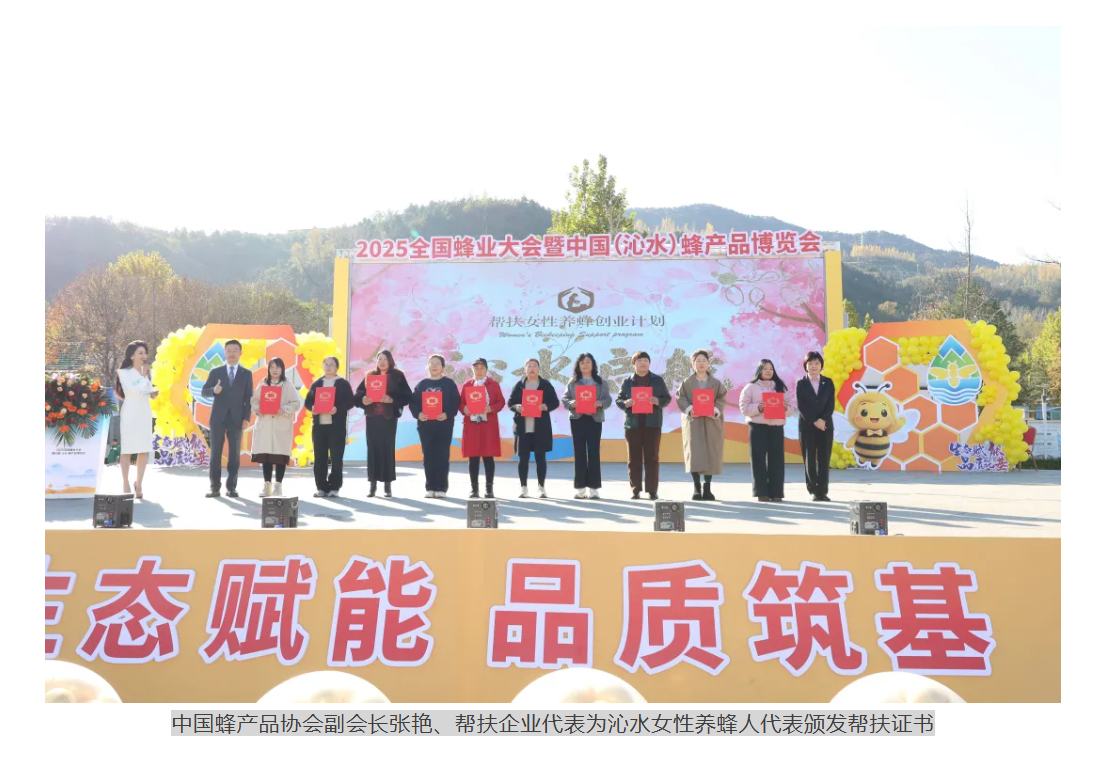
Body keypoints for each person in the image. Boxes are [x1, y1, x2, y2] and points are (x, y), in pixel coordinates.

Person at [354, 350, 412, 498]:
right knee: (372, 449)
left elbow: (407, 396)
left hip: (388, 418)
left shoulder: (397, 375)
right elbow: (358, 395)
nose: (382, 361)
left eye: (385, 359)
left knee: (387, 449)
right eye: (379, 358)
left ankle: (387, 485)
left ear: (390, 360)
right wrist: (363, 400)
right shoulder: (370, 375)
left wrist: (392, 399)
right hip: (372, 418)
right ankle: (372, 485)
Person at [614, 351, 672, 500]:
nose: (643, 363)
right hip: (632, 425)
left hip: (652, 425)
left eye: (646, 360)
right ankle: (635, 490)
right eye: (639, 361)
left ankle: (652, 490)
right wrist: (625, 403)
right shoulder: (627, 381)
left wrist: (658, 401)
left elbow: (667, 398)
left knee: (652, 458)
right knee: (633, 459)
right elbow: (619, 400)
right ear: (634, 363)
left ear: (649, 363)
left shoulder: (657, 380)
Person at [201, 339, 254, 498]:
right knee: (215, 452)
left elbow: (249, 398)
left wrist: (246, 418)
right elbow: (204, 392)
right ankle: (214, 487)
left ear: (240, 353)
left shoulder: (246, 374)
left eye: (235, 350)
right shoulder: (216, 371)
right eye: (229, 350)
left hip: (237, 419)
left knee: (234, 454)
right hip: (218, 418)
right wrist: (214, 390)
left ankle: (231, 487)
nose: (231, 353)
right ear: (224, 352)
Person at [739, 359, 796, 502]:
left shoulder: (780, 387)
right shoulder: (750, 387)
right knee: (758, 459)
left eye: (771, 368)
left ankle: (776, 493)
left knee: (777, 460)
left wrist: (785, 408)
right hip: (758, 426)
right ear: (759, 371)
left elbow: (791, 409)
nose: (768, 371)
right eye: (765, 368)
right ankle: (761, 492)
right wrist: (759, 407)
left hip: (776, 427)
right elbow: (744, 408)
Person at [675, 349, 727, 501]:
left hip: (711, 421)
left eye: (704, 360)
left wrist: (715, 410)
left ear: (709, 363)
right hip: (694, 421)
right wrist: (690, 409)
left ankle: (708, 488)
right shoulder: (687, 383)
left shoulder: (716, 383)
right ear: (693, 364)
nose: (701, 363)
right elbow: (680, 398)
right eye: (698, 361)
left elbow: (722, 398)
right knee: (695, 454)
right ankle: (697, 488)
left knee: (711, 453)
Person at [507, 358, 560, 498]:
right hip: (523, 427)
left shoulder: (545, 385)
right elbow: (510, 402)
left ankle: (541, 487)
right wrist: (516, 407)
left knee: (540, 458)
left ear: (539, 369)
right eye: (529, 366)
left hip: (540, 428)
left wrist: (546, 406)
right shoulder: (519, 385)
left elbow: (555, 402)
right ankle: (523, 487)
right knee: (523, 458)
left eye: (534, 366)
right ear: (525, 369)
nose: (532, 368)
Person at [409, 354, 461, 498]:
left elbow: (455, 402)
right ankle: (430, 487)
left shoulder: (449, 384)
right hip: (425, 426)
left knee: (442, 455)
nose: (434, 366)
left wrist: (447, 414)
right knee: (428, 456)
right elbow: (413, 403)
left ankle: (441, 488)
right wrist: (418, 414)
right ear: (427, 366)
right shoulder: (422, 384)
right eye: (431, 363)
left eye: (437, 363)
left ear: (443, 367)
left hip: (444, 425)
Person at [562, 352, 612, 499]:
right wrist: (571, 403)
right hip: (577, 419)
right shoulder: (573, 382)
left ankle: (594, 488)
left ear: (593, 365)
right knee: (579, 453)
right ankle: (580, 488)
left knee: (594, 453)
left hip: (594, 420)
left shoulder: (600, 382)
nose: (584, 365)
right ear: (578, 365)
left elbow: (608, 399)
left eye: (588, 362)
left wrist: (601, 403)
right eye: (582, 362)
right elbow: (565, 398)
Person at [304, 356, 355, 497]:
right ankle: (321, 487)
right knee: (319, 457)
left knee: (336, 458)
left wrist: (337, 408)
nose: (328, 367)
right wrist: (312, 407)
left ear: (337, 367)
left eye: (332, 364)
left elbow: (350, 402)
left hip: (336, 427)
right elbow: (308, 401)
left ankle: (334, 487)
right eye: (326, 364)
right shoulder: (317, 383)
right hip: (320, 426)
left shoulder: (343, 384)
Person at [249, 357, 301, 497]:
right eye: (272, 367)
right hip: (265, 424)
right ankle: (267, 486)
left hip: (280, 425)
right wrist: (257, 409)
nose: (274, 370)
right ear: (268, 369)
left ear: (282, 369)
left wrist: (285, 409)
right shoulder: (263, 383)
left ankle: (278, 486)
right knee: (266, 457)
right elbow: (254, 400)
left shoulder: (287, 385)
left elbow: (296, 403)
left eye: (277, 367)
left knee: (279, 457)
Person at [115, 340, 159, 499]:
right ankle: (125, 482)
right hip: (130, 413)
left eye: (145, 353)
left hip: (144, 412)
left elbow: (146, 390)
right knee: (127, 449)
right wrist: (143, 376)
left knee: (143, 448)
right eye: (140, 353)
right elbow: (133, 391)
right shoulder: (123, 372)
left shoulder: (145, 372)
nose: (144, 356)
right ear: (132, 355)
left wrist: (153, 393)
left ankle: (139, 483)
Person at [460, 357, 505, 498]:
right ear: (472, 370)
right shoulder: (467, 385)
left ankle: (489, 489)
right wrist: (464, 409)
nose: (479, 371)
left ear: (486, 370)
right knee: (473, 457)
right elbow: (461, 403)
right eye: (476, 368)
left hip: (488, 425)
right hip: (472, 426)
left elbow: (501, 402)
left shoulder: (494, 385)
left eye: (482, 368)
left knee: (488, 456)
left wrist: (490, 408)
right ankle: (474, 489)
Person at [796, 351, 835, 502]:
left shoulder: (828, 382)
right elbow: (801, 405)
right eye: (810, 363)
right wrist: (814, 421)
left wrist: (823, 420)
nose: (813, 366)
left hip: (825, 426)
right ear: (805, 365)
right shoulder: (801, 383)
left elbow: (830, 404)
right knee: (810, 459)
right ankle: (813, 490)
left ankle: (823, 491)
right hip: (807, 426)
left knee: (824, 459)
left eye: (817, 363)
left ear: (821, 365)